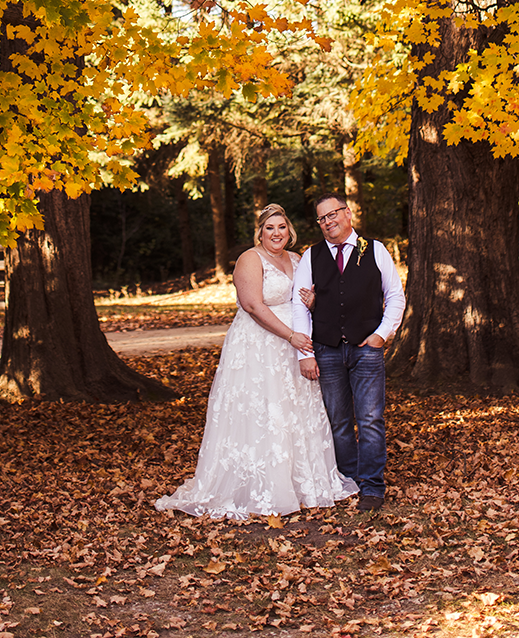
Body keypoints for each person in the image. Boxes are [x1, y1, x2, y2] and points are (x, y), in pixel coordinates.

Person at [155, 203, 358, 521]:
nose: (276, 233)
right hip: (261, 344)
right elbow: (252, 305)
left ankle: (303, 483)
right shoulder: (250, 259)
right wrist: (289, 336)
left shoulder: (298, 258)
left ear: (289, 231)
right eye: (269, 228)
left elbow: (309, 298)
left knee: (297, 410)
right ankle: (260, 487)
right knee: (264, 409)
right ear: (260, 233)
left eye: (281, 227)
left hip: (298, 342)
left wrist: (312, 304)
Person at [290, 194, 405, 514]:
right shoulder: (311, 257)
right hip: (326, 350)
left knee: (370, 419)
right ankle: (349, 480)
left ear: (348, 213)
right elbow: (299, 305)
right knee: (338, 421)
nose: (329, 222)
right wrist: (305, 355)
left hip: (366, 349)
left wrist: (381, 336)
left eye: (333, 214)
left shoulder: (375, 250)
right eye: (322, 218)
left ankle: (372, 486)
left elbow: (395, 296)